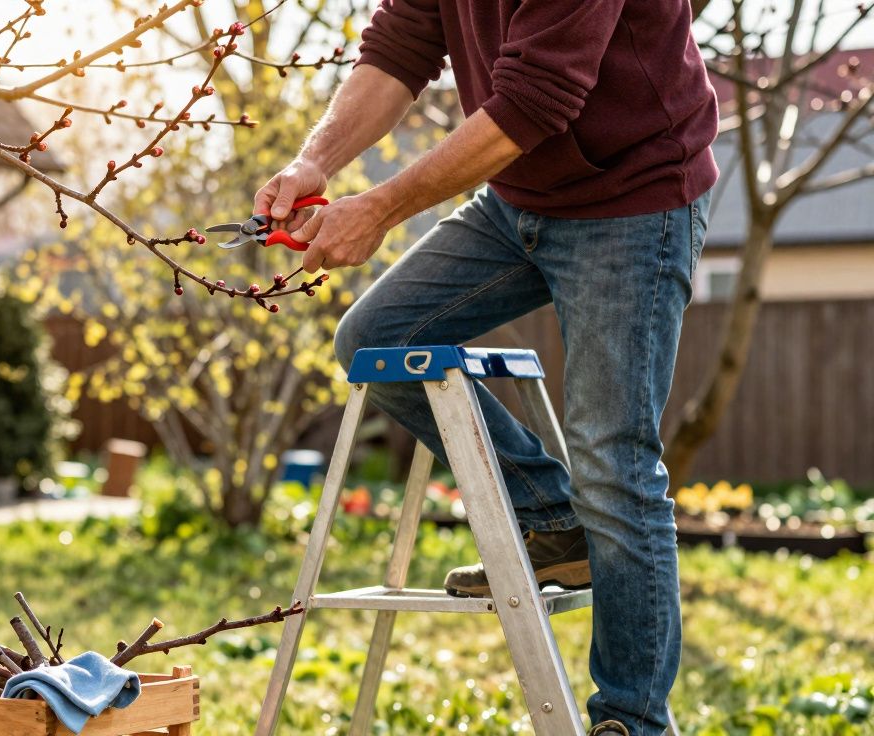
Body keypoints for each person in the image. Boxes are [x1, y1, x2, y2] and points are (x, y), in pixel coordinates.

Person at [253, 2, 718, 734]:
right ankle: (550, 520)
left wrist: (378, 208)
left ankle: (631, 719)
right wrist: (316, 159)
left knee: (612, 461)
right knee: (379, 340)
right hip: (516, 199)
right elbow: (401, 46)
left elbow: (536, 99)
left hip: (633, 196)